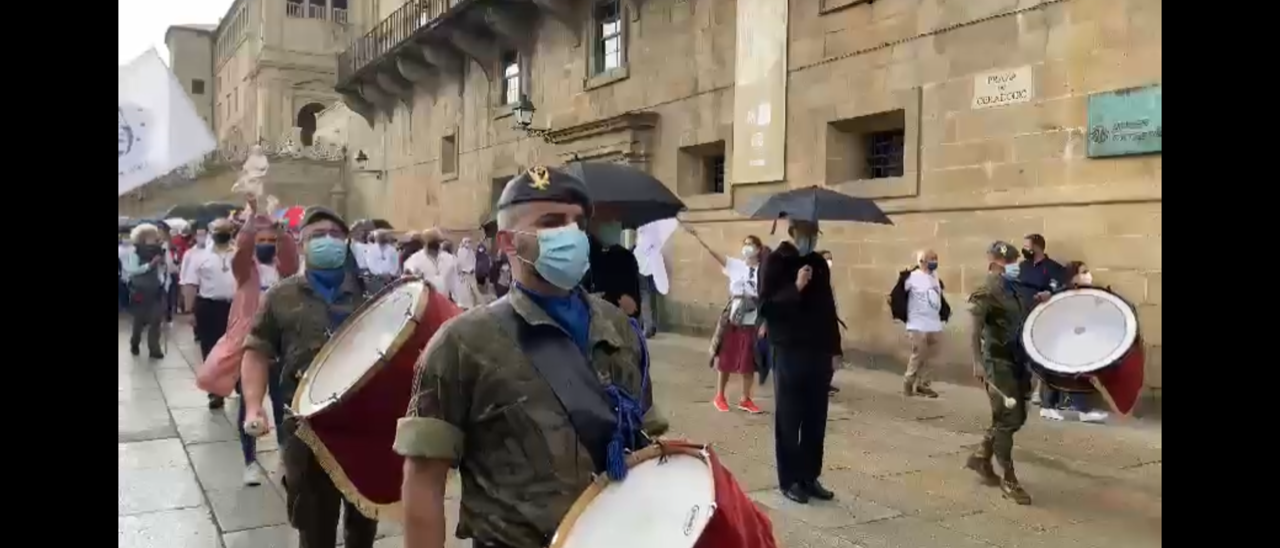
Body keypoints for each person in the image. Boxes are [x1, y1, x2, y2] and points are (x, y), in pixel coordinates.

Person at [396, 166, 666, 548]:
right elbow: (424, 477)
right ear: (508, 241)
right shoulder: (461, 343)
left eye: (577, 222)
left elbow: (647, 442)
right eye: (552, 222)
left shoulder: (619, 328)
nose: (571, 234)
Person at [240, 206, 378, 548]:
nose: (327, 241)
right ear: (301, 245)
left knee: (364, 526)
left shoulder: (374, 291)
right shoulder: (280, 296)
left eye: (335, 235)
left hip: (366, 428)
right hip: (307, 431)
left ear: (347, 243)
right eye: (317, 236)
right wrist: (254, 407)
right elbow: (256, 352)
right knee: (314, 529)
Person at [759, 218, 841, 505]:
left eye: (815, 234)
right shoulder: (776, 261)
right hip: (789, 349)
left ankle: (809, 476)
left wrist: (835, 349)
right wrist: (796, 287)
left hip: (818, 350)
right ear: (793, 232)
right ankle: (790, 479)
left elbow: (828, 307)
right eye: (807, 233)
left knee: (816, 418)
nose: (812, 239)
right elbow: (766, 306)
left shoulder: (818, 262)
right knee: (790, 417)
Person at [965, 241, 1033, 505]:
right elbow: (974, 330)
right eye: (1008, 263)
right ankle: (1009, 478)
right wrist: (977, 362)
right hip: (996, 362)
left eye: (1014, 262)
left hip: (1017, 361)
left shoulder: (1013, 289)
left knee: (1017, 416)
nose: (1013, 267)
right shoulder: (985, 291)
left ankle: (982, 455)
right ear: (994, 263)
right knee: (1008, 418)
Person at [684, 227, 765, 414]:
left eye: (751, 245)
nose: (747, 248)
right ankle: (719, 396)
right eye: (745, 244)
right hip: (735, 315)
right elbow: (715, 254)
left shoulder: (763, 270)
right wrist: (698, 236)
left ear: (759, 249)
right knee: (726, 356)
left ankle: (745, 399)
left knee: (748, 360)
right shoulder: (736, 265)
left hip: (753, 315)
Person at [1038, 260, 1110, 423]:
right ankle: (1072, 408)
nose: (1087, 275)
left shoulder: (1086, 293)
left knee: (1067, 375)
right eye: (1083, 272)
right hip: (1062, 340)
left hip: (1075, 340)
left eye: (1087, 271)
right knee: (1067, 374)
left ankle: (1052, 406)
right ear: (1073, 276)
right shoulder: (1063, 294)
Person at [182, 218, 239, 409]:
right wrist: (189, 310)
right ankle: (215, 392)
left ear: (231, 232)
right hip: (208, 306)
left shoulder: (240, 253)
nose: (221, 232)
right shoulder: (199, 256)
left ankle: (238, 381)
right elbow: (190, 284)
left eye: (225, 229)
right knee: (210, 348)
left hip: (235, 306)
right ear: (211, 233)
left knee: (238, 346)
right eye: (217, 229)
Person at [902, 249, 950, 398]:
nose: (934, 261)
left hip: (933, 324)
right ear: (922, 261)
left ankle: (923, 384)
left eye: (936, 258)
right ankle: (908, 382)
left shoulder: (935, 276)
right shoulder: (912, 277)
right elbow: (899, 293)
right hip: (917, 324)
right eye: (931, 259)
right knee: (919, 353)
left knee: (930, 356)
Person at [122, 223, 169, 359]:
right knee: (140, 320)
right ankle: (135, 342)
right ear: (143, 238)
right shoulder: (134, 252)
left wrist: (163, 266)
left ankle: (154, 348)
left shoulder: (160, 252)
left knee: (156, 319)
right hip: (140, 290)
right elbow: (132, 269)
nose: (156, 238)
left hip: (155, 289)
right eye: (152, 236)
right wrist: (150, 265)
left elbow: (165, 270)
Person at [582, 213, 642, 319]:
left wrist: (632, 307)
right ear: (592, 223)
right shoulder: (582, 253)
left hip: (619, 325)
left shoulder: (626, 257)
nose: (614, 224)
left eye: (617, 219)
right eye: (608, 219)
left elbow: (634, 302)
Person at [404, 230, 458, 299]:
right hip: (426, 301)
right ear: (426, 243)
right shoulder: (415, 259)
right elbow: (409, 279)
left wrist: (457, 300)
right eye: (434, 242)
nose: (438, 245)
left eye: (439, 242)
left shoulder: (449, 258)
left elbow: (455, 281)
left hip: (446, 300)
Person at [364, 229, 401, 295]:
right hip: (377, 277)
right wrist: (381, 274)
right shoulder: (370, 250)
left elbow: (395, 262)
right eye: (379, 236)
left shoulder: (392, 249)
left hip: (392, 277)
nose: (381, 238)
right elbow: (371, 264)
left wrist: (391, 273)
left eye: (383, 236)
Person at [452, 237, 482, 309]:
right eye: (466, 242)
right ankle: (472, 305)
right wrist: (464, 271)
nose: (468, 243)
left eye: (469, 242)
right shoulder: (461, 251)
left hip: (472, 273)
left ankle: (477, 304)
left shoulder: (470, 251)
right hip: (465, 273)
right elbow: (460, 263)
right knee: (469, 290)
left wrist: (473, 269)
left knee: (474, 289)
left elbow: (473, 261)